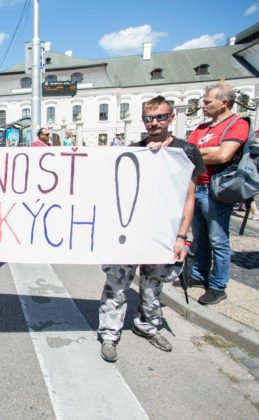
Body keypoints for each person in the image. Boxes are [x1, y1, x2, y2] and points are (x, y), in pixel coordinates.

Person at [98, 96, 205, 363]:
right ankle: (109, 334)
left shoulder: (187, 152)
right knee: (116, 284)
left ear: (171, 118)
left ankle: (147, 325)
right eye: (148, 118)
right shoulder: (133, 151)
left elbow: (189, 197)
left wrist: (182, 236)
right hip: (130, 231)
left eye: (159, 117)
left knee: (153, 284)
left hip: (165, 233)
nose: (154, 123)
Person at [187, 83, 249, 305]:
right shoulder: (202, 127)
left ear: (224, 102)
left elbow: (224, 156)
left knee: (218, 239)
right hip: (197, 186)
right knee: (200, 236)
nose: (202, 105)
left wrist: (200, 153)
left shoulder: (237, 124)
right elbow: (186, 151)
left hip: (217, 189)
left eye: (207, 101)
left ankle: (217, 285)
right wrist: (209, 151)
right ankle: (198, 274)